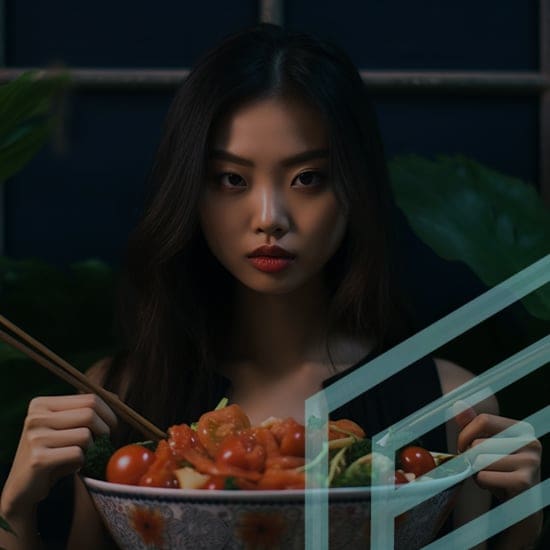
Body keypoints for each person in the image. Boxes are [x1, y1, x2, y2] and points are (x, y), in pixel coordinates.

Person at [0, 23, 543, 549]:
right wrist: (16, 509)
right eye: (232, 179)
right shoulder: (119, 393)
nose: (270, 217)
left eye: (307, 178)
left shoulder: (452, 403)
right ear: (191, 191)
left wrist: (524, 527)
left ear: (354, 187)